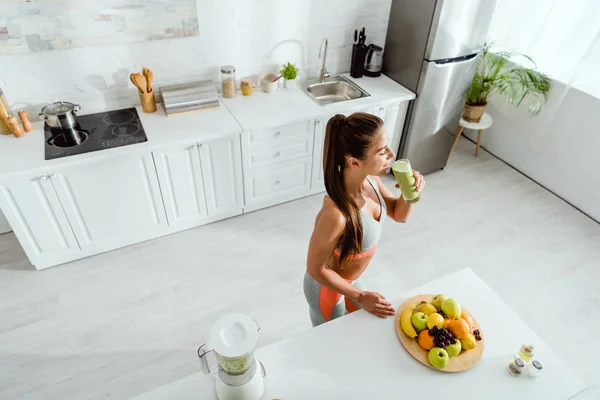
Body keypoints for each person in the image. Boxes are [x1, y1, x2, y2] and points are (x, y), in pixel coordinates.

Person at [303, 112, 425, 327]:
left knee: (362, 328)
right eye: (382, 152)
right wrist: (360, 297)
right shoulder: (335, 215)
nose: (392, 154)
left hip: (351, 281)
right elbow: (316, 269)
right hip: (327, 290)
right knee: (332, 343)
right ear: (354, 162)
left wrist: (409, 193)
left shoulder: (371, 180)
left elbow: (399, 215)